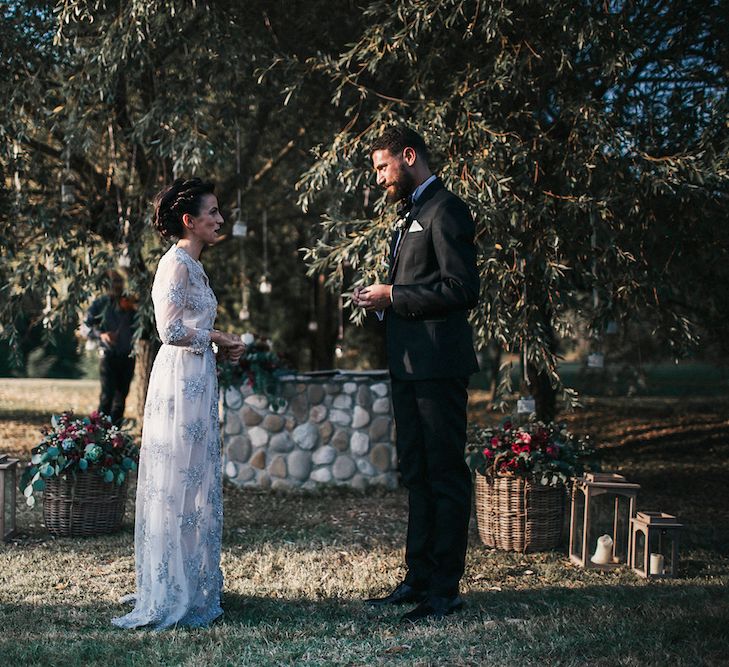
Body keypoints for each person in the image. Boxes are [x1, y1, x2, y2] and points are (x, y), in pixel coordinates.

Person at [353, 126, 480, 622]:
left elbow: (462, 289)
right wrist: (381, 300)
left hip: (438, 366)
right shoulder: (410, 214)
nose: (381, 177)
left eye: (384, 167)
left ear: (410, 157)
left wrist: (395, 296)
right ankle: (418, 578)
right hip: (407, 366)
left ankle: (444, 590)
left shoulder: (447, 210)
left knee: (445, 474)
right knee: (416, 472)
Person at [112, 178, 245, 630]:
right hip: (179, 377)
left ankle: (192, 577)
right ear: (189, 221)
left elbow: (188, 325)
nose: (220, 219)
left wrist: (218, 344)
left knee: (195, 479)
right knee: (177, 480)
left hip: (198, 376)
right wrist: (219, 336)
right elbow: (169, 331)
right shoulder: (175, 264)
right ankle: (170, 586)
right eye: (213, 212)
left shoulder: (194, 263)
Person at [83, 270, 136, 426]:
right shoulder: (100, 304)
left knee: (121, 399)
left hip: (128, 356)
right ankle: (99, 434)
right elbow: (85, 328)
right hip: (108, 355)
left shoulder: (130, 303)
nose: (118, 287)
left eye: (120, 282)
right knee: (107, 397)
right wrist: (102, 335)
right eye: (115, 283)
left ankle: (116, 436)